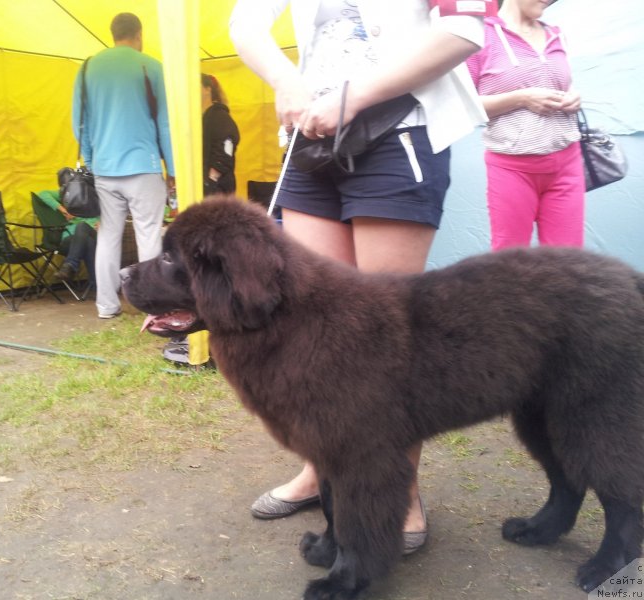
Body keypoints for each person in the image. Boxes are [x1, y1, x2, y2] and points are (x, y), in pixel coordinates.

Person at [229, 0, 496, 554]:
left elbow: (464, 30)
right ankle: (318, 470)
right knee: (311, 326)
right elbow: (246, 22)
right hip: (311, 141)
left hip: (398, 131)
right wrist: (285, 80)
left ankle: (402, 489)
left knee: (388, 335)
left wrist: (355, 98)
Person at [72, 12, 175, 320]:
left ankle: (106, 305)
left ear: (112, 34)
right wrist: (173, 169)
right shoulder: (151, 66)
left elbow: (81, 123)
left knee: (108, 237)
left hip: (104, 170)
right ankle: (153, 308)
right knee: (148, 236)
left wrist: (91, 162)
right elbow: (165, 124)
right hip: (143, 167)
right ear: (139, 35)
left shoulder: (88, 68)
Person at [466, 0, 584, 251]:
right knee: (509, 264)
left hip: (567, 164)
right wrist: (521, 98)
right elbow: (463, 106)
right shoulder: (479, 35)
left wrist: (573, 96)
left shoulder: (556, 34)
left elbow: (561, 81)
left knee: (569, 264)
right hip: (512, 168)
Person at [162, 74, 241, 365]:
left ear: (208, 89)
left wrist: (209, 183)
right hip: (208, 194)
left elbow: (225, 152)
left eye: (195, 87)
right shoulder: (205, 117)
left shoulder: (218, 117)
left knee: (211, 256)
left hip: (214, 195)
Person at [36, 189, 99, 287]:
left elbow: (115, 211)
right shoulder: (73, 194)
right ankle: (97, 286)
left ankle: (70, 265)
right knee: (87, 240)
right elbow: (43, 194)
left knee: (83, 228)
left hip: (94, 234)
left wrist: (104, 222)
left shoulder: (99, 197)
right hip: (70, 240)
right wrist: (63, 210)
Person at [201, 74, 241, 195]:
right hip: (205, 185)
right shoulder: (200, 117)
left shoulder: (219, 115)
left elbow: (227, 144)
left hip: (217, 188)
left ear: (208, 89)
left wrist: (212, 177)